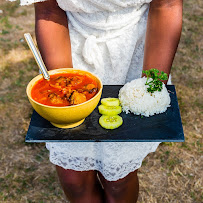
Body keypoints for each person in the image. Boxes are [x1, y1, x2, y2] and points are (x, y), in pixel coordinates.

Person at [12, 0, 182, 202]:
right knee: (73, 178)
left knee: (118, 178)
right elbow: (49, 9)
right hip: (71, 48)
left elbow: (167, 5)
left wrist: (149, 90)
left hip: (136, 53)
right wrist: (66, 89)